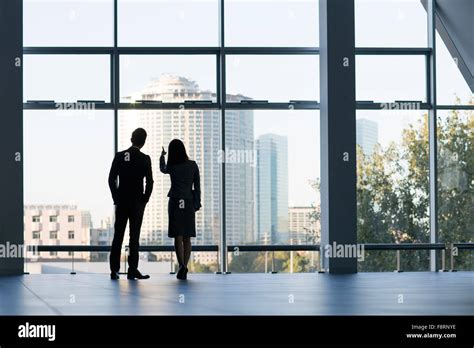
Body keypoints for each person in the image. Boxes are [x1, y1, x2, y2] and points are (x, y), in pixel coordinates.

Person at [108, 128, 154, 280]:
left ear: (131, 138)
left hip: (122, 202)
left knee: (118, 236)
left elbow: (111, 179)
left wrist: (116, 198)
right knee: (134, 237)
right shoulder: (145, 158)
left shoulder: (120, 156)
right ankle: (132, 270)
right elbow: (150, 182)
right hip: (137, 203)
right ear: (143, 141)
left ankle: (114, 270)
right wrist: (144, 200)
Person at [160, 139, 201, 280]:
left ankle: (182, 265)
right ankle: (185, 265)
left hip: (176, 201)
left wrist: (162, 156)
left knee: (178, 236)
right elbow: (197, 186)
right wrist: (197, 203)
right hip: (188, 202)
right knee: (187, 237)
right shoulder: (193, 165)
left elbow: (162, 168)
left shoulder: (172, 166)